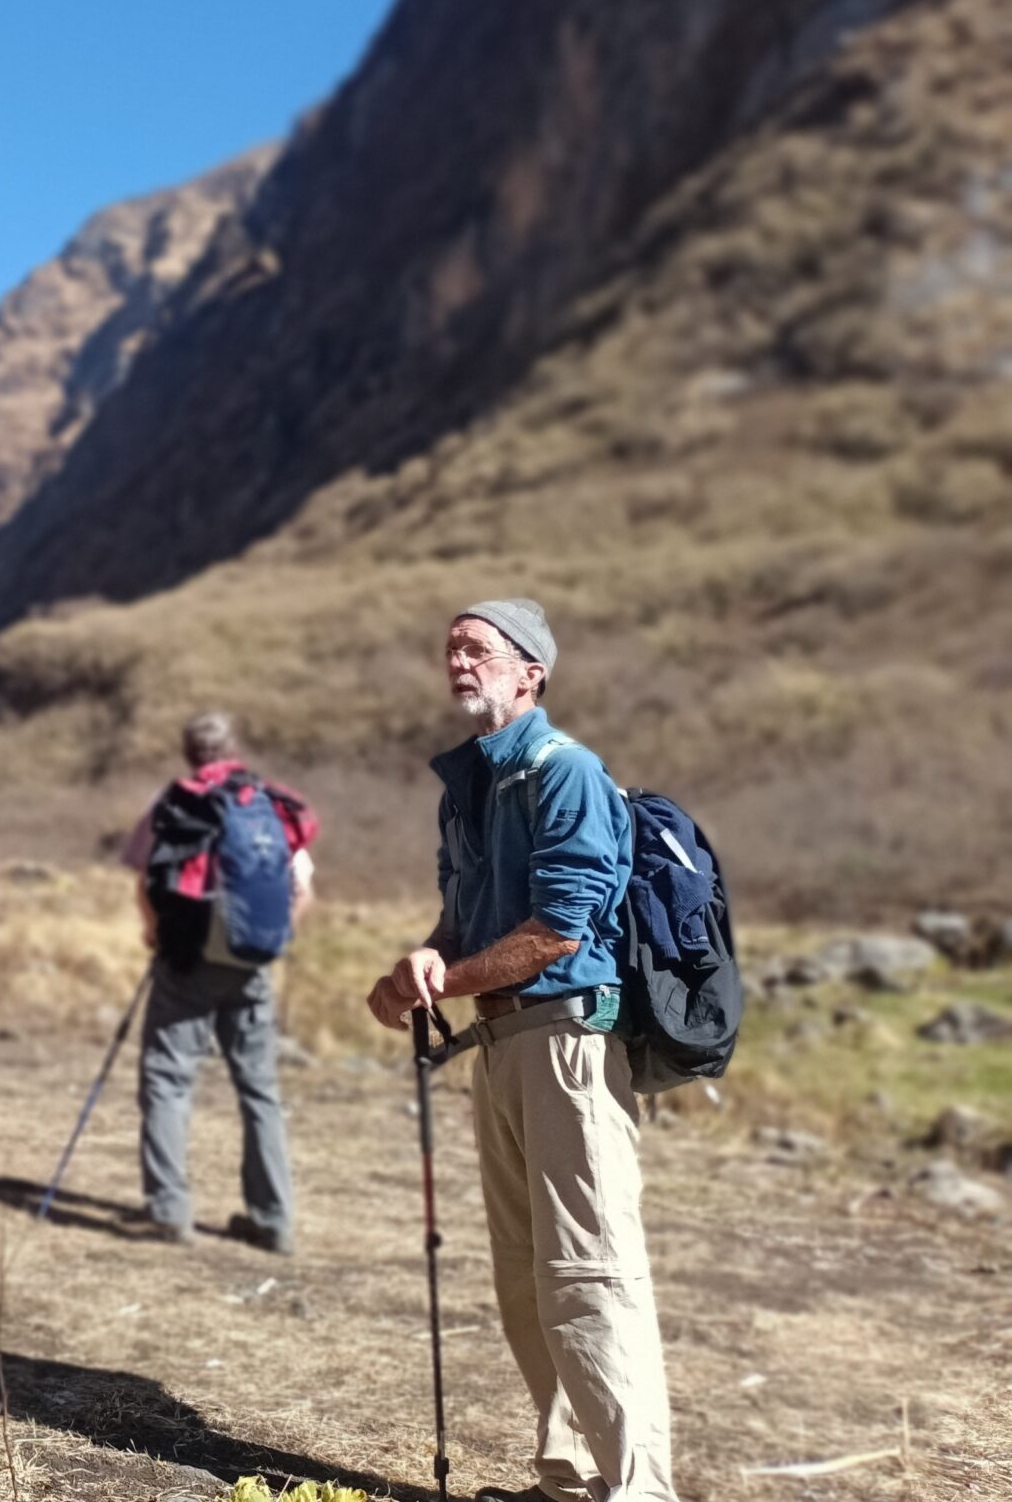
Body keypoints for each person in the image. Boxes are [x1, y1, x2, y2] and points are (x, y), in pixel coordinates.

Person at [366, 599, 676, 1502]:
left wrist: (448, 979)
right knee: (522, 1270)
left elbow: (559, 931)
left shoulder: (566, 772)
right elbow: (462, 923)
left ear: (529, 672)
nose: (458, 662)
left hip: (569, 1042)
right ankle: (570, 1477)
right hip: (501, 1046)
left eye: (478, 650)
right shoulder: (470, 787)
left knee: (589, 1267)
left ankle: (637, 1490)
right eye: (451, 649)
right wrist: (422, 962)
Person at [122, 712, 317, 1251]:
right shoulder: (269, 805)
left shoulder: (175, 801)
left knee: (167, 1080)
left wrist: (155, 932)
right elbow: (301, 891)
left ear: (190, 753)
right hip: (252, 963)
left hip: (186, 961)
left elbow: (144, 879)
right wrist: (266, 944)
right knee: (259, 1091)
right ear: (235, 748)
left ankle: (171, 1212)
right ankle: (274, 1220)